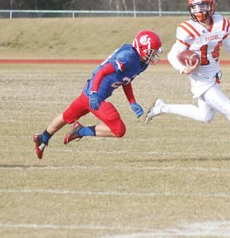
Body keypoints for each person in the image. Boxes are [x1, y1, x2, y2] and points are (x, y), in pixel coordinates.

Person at [145, 0, 230, 165]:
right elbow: (172, 55)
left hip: (213, 77)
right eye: (195, 7)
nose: (198, 11)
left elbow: (229, 43)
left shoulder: (221, 23)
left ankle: (162, 108)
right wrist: (182, 68)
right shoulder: (188, 29)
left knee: (205, 117)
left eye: (202, 6)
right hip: (201, 81)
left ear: (212, 6)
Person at [33, 30, 163, 159]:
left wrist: (132, 102)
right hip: (95, 96)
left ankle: (42, 138)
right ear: (141, 47)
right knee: (119, 130)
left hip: (88, 93)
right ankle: (80, 131)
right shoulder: (128, 56)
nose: (153, 56)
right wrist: (94, 93)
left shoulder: (140, 62)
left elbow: (126, 79)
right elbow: (100, 72)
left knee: (66, 116)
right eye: (151, 52)